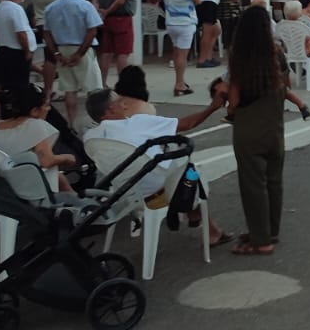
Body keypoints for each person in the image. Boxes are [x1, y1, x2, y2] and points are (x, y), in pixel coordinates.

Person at [83, 87, 231, 245]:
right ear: (111, 109)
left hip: (127, 195)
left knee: (172, 160)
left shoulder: (90, 138)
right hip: (162, 191)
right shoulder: (137, 122)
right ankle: (211, 231)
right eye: (121, 102)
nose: (125, 104)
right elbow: (187, 124)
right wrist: (213, 107)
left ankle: (194, 214)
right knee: (190, 171)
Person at [224, 4, 290, 256]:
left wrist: (229, 111)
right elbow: (286, 85)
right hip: (274, 124)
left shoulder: (239, 54)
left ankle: (260, 239)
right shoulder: (277, 52)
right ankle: (270, 229)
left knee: (253, 183)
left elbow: (235, 97)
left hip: (248, 126)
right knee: (274, 180)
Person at [0, 84, 77, 190]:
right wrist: (67, 158)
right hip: (24, 186)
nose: (49, 109)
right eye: (46, 105)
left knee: (60, 179)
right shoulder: (35, 125)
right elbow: (46, 161)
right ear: (35, 111)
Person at [44, 0, 104, 122]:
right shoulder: (84, 5)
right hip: (81, 48)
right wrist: (80, 53)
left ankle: (71, 121)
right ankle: (96, 120)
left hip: (62, 48)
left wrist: (56, 53)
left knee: (69, 89)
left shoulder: (51, 7)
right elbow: (92, 31)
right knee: (93, 88)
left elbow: (47, 33)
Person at [94, 0, 137, 87]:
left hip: (107, 20)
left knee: (106, 52)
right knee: (122, 52)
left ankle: (102, 82)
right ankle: (123, 83)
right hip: (121, 17)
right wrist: (107, 11)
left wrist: (100, 12)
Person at [0, 0, 39, 96]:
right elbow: (21, 33)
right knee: (20, 86)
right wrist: (27, 51)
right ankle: (20, 110)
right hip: (17, 52)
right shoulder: (15, 9)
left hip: (5, 50)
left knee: (9, 85)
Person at [162, 0, 200, 96]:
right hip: (185, 23)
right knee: (183, 56)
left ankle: (180, 81)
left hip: (171, 22)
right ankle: (179, 84)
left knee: (177, 52)